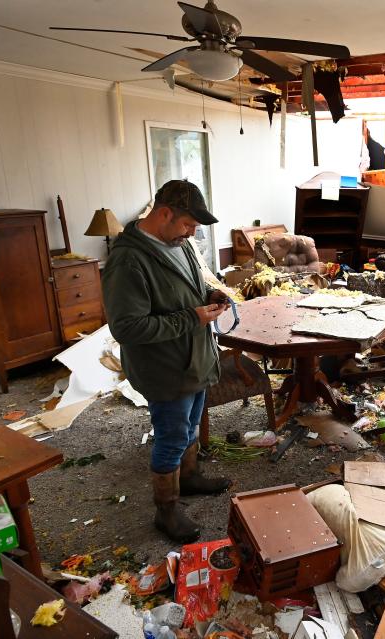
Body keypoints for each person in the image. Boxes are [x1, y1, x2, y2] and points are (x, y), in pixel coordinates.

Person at [102, 179, 231, 543]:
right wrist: (193, 317)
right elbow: (127, 327)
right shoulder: (127, 261)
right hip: (165, 368)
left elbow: (191, 287)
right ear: (164, 213)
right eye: (188, 224)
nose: (192, 232)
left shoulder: (180, 244)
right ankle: (166, 508)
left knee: (190, 426)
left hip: (194, 360)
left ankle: (188, 477)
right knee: (172, 436)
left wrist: (211, 293)